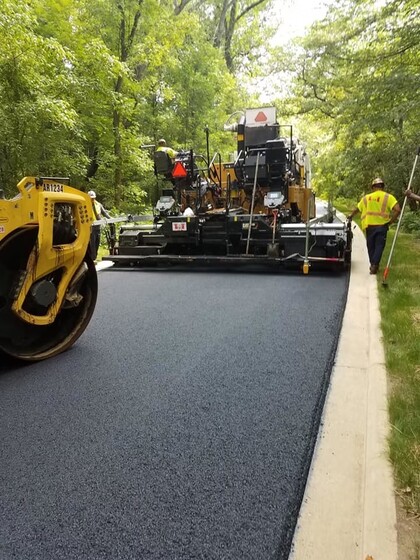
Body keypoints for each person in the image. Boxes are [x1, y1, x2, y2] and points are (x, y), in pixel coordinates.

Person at [347, 177, 401, 274]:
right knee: (379, 246)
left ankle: (373, 264)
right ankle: (374, 265)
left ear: (373, 187)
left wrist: (351, 216)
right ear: (382, 187)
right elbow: (397, 209)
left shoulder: (366, 198)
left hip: (369, 226)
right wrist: (391, 221)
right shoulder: (388, 197)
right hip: (382, 226)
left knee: (370, 246)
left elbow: (357, 209)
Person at [88, 190, 111, 261]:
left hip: (98, 226)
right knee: (92, 244)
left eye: (93, 198)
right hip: (90, 227)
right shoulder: (85, 205)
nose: (92, 199)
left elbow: (104, 213)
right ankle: (92, 258)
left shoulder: (98, 204)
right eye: (91, 198)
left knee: (97, 242)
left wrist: (110, 219)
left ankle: (95, 256)